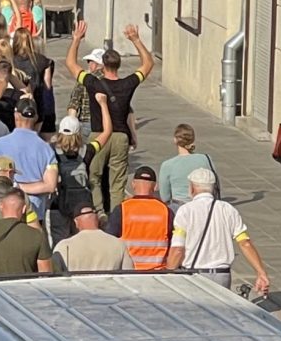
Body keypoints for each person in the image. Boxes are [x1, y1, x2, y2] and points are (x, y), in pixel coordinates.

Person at [66, 20, 154, 215]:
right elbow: (148, 64)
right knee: (117, 182)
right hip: (121, 136)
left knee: (94, 176)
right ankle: (115, 215)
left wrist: (76, 40)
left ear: (103, 65)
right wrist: (136, 40)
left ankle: (99, 212)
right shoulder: (127, 84)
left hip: (99, 134)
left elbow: (70, 64)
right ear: (119, 65)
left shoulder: (93, 83)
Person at [167, 167, 270, 296]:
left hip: (194, 276)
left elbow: (178, 249)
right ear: (213, 188)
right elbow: (245, 243)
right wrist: (261, 273)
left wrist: (169, 274)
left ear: (192, 188)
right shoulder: (228, 210)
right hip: (222, 276)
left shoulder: (185, 211)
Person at [0, 99, 57, 229]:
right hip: (35, 213)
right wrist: (23, 188)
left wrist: (16, 186)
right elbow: (51, 185)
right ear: (36, 117)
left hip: (5, 211)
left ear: (16, 115)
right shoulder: (46, 149)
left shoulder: (0, 144)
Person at [50, 101, 111, 243]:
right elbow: (107, 132)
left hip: (60, 205)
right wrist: (103, 104)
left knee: (61, 243)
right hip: (83, 206)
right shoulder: (87, 151)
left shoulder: (51, 151)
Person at [105, 167, 173, 271]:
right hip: (158, 272)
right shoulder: (166, 211)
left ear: (133, 184)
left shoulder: (122, 209)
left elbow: (109, 242)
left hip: (129, 271)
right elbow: (175, 244)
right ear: (155, 187)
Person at [52, 203, 134, 272]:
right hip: (108, 290)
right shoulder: (118, 244)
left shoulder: (63, 247)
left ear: (76, 222)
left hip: (77, 290)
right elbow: (129, 276)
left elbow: (54, 278)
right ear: (97, 218)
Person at [157, 124, 218, 208]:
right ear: (193, 139)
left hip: (179, 206)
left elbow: (165, 197)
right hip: (203, 205)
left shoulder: (167, 165)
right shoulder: (205, 158)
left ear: (175, 140)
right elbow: (214, 184)